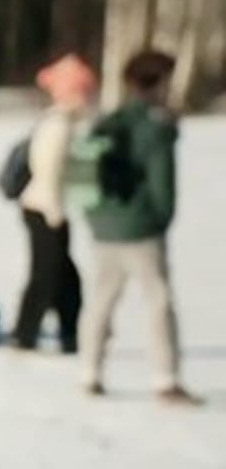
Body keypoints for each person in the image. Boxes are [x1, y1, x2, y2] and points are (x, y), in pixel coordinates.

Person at [76, 48, 201, 406]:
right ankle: (166, 379)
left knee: (100, 301)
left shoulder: (109, 121)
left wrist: (97, 218)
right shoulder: (155, 128)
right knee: (158, 300)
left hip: (103, 227)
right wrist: (159, 219)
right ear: (159, 82)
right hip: (141, 230)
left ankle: (89, 372)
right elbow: (163, 184)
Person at [10, 55, 91, 353]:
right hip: (44, 209)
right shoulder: (59, 123)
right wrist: (55, 212)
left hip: (44, 207)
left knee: (65, 277)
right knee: (46, 276)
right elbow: (48, 169)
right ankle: (25, 334)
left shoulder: (61, 121)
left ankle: (69, 333)